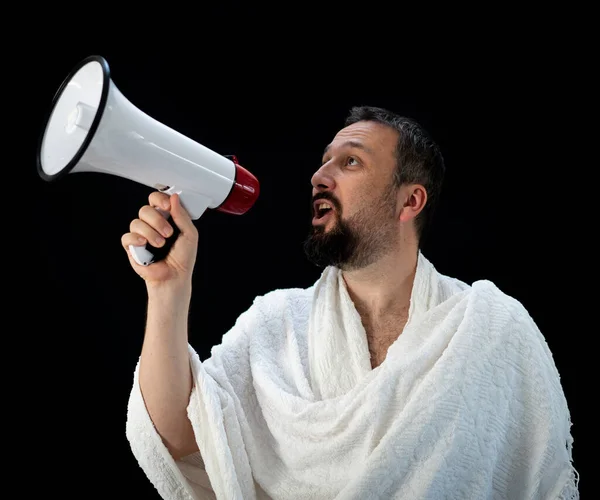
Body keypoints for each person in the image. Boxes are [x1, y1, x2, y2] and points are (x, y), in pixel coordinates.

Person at [123, 106, 579, 499]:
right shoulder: (275, 325)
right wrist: (168, 289)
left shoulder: (490, 329)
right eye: (324, 162)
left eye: (351, 161)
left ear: (410, 201)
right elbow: (178, 435)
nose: (319, 176)